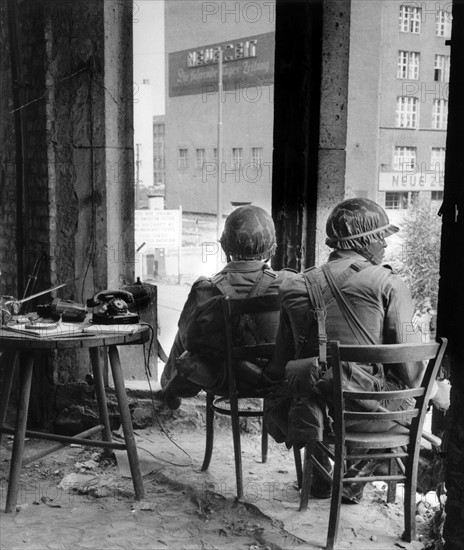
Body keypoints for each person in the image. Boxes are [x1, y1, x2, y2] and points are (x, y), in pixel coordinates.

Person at [264, 197, 450, 501]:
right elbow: (411, 371)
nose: (385, 247)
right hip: (366, 416)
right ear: (364, 240)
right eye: (381, 238)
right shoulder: (389, 284)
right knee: (407, 395)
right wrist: (436, 391)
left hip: (311, 414)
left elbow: (280, 364)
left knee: (313, 381)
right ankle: (353, 479)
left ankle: (322, 474)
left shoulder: (295, 285)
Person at [160, 205, 295, 410]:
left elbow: (190, 341)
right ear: (273, 249)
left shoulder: (204, 289)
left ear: (224, 247)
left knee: (184, 331)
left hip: (222, 381)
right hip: (274, 379)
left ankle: (169, 387)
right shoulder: (290, 284)